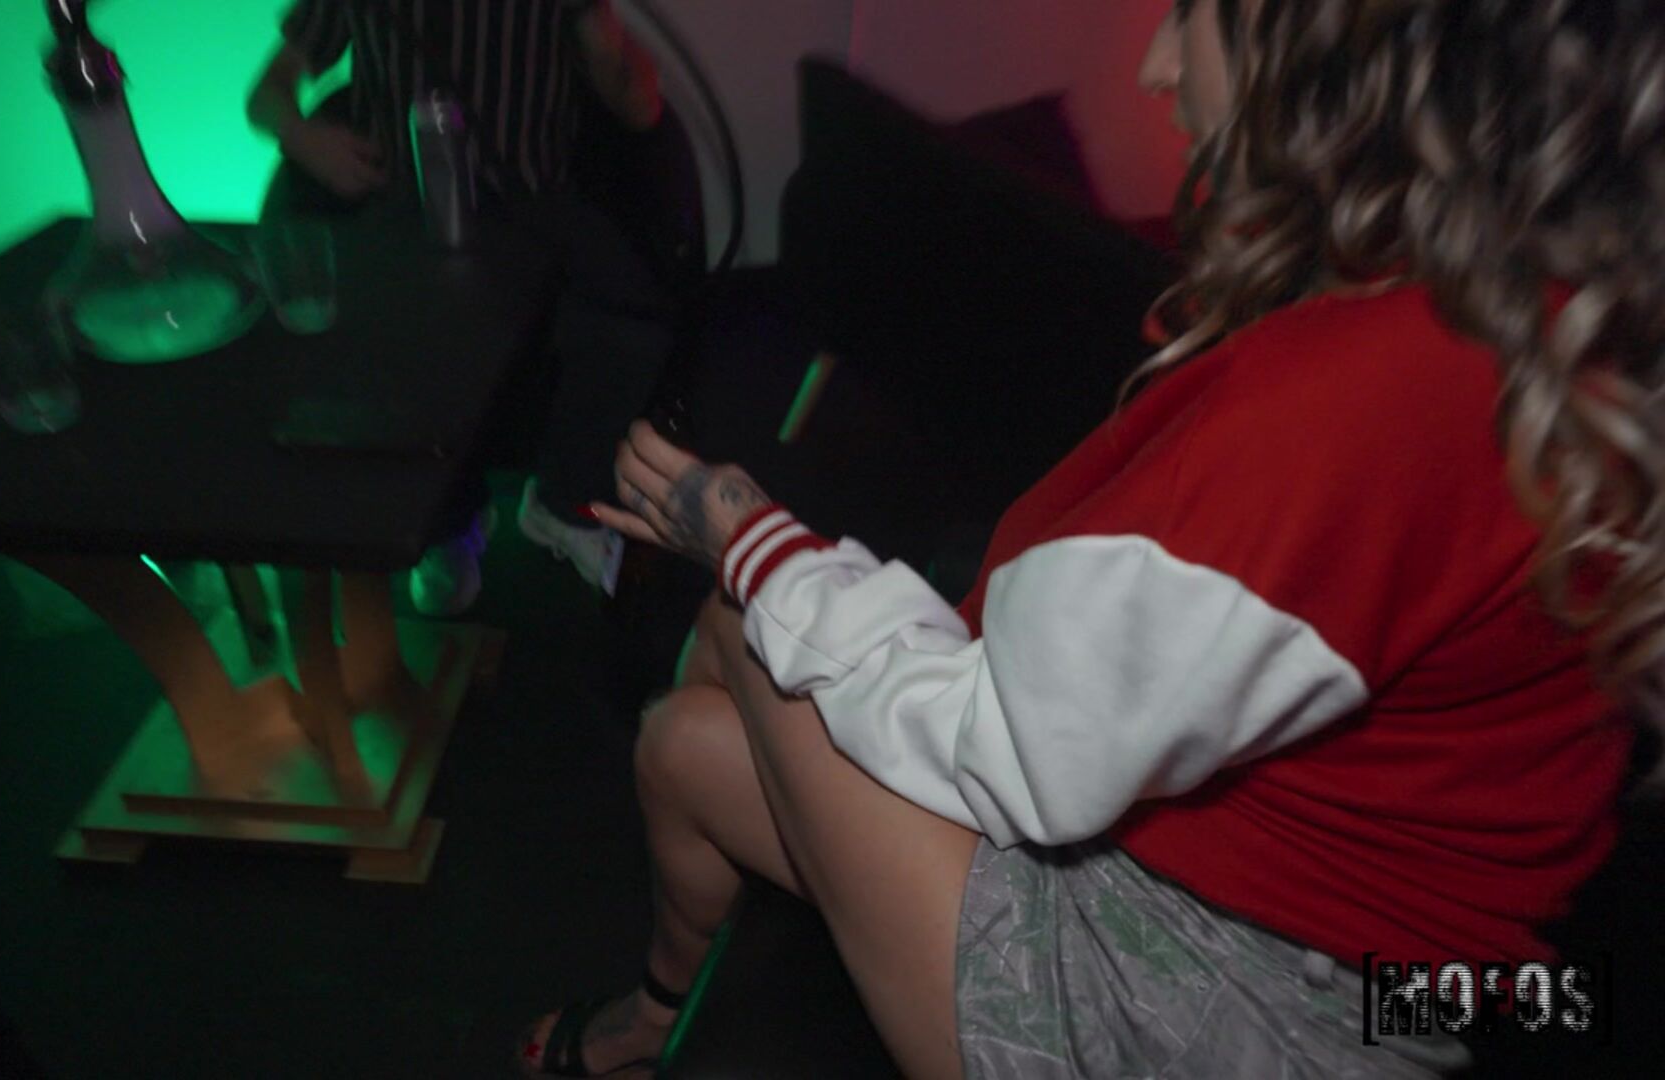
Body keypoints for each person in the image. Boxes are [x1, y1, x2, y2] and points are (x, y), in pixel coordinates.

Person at [522, 1, 1662, 1076]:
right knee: (684, 743)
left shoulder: (1371, 397)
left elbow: (1015, 745)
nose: (1157, 65)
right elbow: (1533, 979)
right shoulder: (1549, 325)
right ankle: (657, 1023)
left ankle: (640, 1027)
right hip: (1389, 983)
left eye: (1192, 13)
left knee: (742, 617)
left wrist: (742, 533)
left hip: (1234, 1016)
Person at [248, 0, 673, 615]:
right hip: (403, 206)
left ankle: (560, 504)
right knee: (417, 342)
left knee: (634, 325)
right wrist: (302, 136)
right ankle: (449, 524)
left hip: (532, 201)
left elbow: (641, 110)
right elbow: (266, 93)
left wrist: (604, 37)